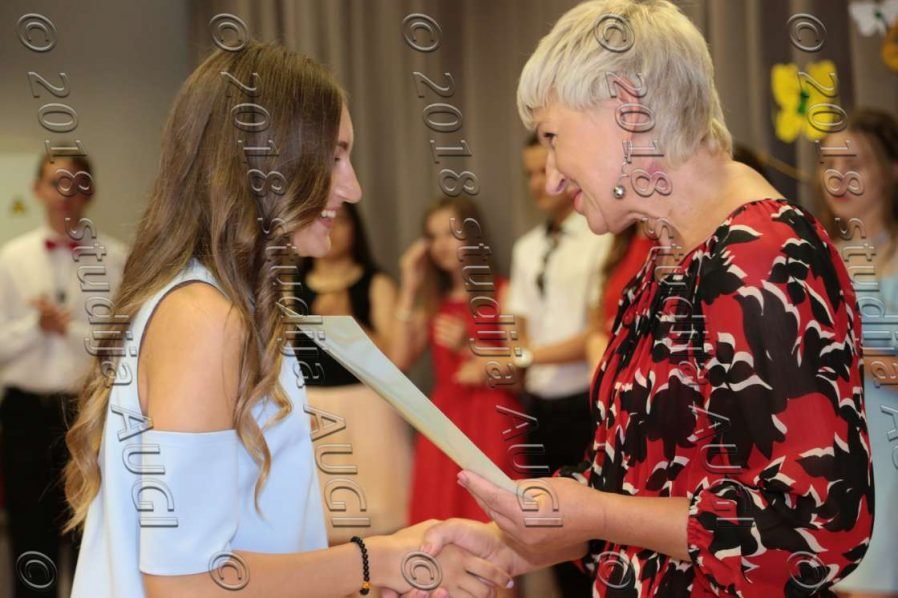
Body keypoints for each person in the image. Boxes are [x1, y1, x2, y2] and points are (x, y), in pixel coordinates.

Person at [419, 1, 874, 596]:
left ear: (627, 108)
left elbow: (816, 529)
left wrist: (598, 514)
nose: (552, 176)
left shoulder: (761, 256)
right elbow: (641, 480)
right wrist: (510, 547)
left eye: (554, 138)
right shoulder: (669, 257)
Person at [62, 42, 511, 598]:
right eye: (334, 157)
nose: (352, 188)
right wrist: (377, 560)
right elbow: (186, 582)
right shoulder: (203, 318)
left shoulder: (223, 309)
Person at [0, 152, 126, 597]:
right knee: (30, 536)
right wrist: (34, 328)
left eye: (77, 182)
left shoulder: (116, 259)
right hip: (26, 414)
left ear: (90, 191)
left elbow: (122, 346)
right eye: (57, 182)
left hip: (87, 413)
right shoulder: (10, 259)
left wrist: (68, 331)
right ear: (38, 190)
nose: (66, 194)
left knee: (90, 534)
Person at [506, 132, 610, 595]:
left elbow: (596, 329)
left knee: (595, 531)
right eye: (528, 173)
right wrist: (517, 355)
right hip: (538, 406)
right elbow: (518, 326)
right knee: (552, 531)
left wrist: (526, 355)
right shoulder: (526, 247)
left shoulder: (601, 239)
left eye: (545, 171)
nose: (538, 182)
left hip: (583, 402)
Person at [393, 197, 523, 525]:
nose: (441, 245)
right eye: (433, 236)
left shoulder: (502, 291)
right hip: (445, 423)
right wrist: (409, 287)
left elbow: (521, 367)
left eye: (451, 234)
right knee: (440, 518)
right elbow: (398, 360)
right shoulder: (434, 302)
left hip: (492, 420)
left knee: (491, 522)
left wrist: (470, 347)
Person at [815, 108, 898, 598]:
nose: (838, 178)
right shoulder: (819, 258)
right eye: (829, 164)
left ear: (891, 169)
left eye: (855, 164)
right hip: (839, 455)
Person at [295, 202, 413, 544]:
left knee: (376, 522)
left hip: (367, 408)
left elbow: (394, 360)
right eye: (322, 220)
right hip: (312, 409)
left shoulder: (376, 283)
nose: (332, 228)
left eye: (341, 221)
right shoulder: (291, 285)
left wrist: (351, 323)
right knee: (317, 522)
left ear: (356, 228)